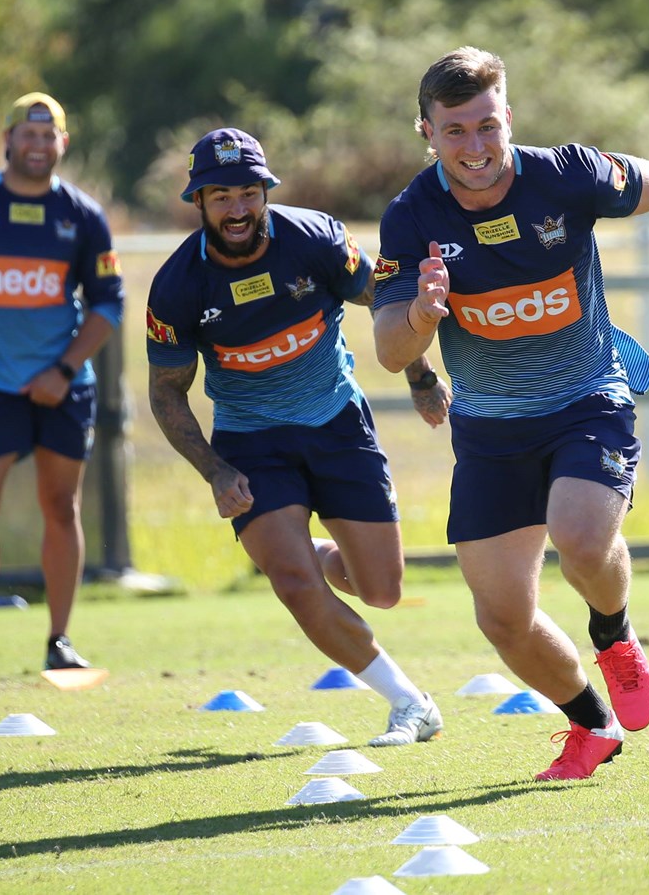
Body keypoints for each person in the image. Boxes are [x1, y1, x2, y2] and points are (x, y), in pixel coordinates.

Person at [372, 47, 649, 780]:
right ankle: (591, 724)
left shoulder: (566, 175)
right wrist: (421, 314)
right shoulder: (411, 216)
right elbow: (390, 350)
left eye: (487, 125)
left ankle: (613, 634)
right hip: (489, 428)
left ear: (508, 118)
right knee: (501, 618)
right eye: (455, 131)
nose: (475, 146)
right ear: (427, 132)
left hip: (586, 399)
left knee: (579, 538)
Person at [147, 127, 451, 746]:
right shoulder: (177, 284)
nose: (237, 209)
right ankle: (410, 702)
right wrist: (215, 471)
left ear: (266, 192)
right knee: (293, 584)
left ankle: (299, 548)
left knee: (381, 590)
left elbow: (386, 303)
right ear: (198, 201)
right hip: (251, 441)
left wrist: (421, 376)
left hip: (337, 422)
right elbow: (167, 392)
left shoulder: (317, 239)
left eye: (248, 193)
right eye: (220, 196)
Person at [0, 93, 125, 675]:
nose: (37, 145)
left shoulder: (82, 215)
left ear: (63, 143)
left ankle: (60, 639)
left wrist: (62, 371)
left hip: (61, 386)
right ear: (8, 139)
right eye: (27, 135)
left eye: (47, 135)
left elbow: (108, 303)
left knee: (61, 506)